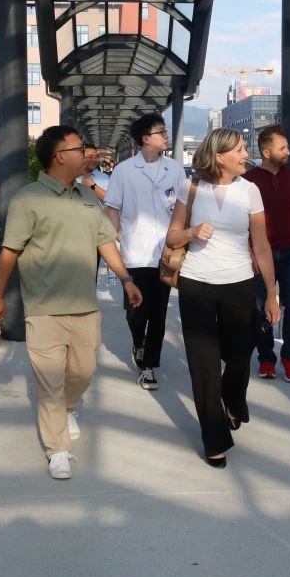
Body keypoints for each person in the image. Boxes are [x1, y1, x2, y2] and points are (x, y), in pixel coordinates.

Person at [0, 125, 143, 480]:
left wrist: (126, 279)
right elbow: (9, 252)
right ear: (59, 156)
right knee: (49, 381)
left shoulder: (87, 197)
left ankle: (67, 408)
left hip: (84, 305)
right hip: (43, 309)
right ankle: (57, 449)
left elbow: (105, 242)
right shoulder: (28, 199)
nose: (86, 154)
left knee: (83, 371)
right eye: (79, 149)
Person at [165, 128, 280, 468]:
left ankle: (234, 400)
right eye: (240, 150)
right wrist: (191, 232)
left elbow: (261, 245)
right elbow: (172, 237)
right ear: (219, 156)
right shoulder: (191, 187)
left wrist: (271, 294)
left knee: (240, 357)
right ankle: (213, 439)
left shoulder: (250, 191)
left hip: (239, 284)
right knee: (204, 366)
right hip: (196, 284)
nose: (246, 155)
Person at [103, 113, 189, 390]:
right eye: (160, 131)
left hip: (166, 254)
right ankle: (138, 342)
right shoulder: (124, 171)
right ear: (145, 139)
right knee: (136, 311)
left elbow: (184, 208)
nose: (166, 135)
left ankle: (149, 365)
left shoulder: (175, 169)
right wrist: (113, 243)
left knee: (159, 313)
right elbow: (113, 209)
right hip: (135, 253)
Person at [242, 124, 290, 383]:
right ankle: (266, 358)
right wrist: (250, 253)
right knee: (259, 308)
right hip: (259, 255)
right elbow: (242, 220)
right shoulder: (249, 181)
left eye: (288, 147)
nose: (289, 151)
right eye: (283, 148)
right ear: (266, 152)